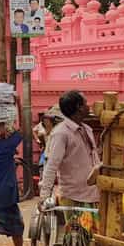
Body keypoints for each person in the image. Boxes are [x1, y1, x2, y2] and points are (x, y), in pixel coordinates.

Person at [39, 91, 100, 225]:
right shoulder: (61, 133)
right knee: (80, 240)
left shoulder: (87, 129)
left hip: (93, 193)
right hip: (74, 196)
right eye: (85, 103)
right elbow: (52, 166)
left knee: (94, 240)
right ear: (79, 107)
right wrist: (44, 196)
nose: (88, 106)